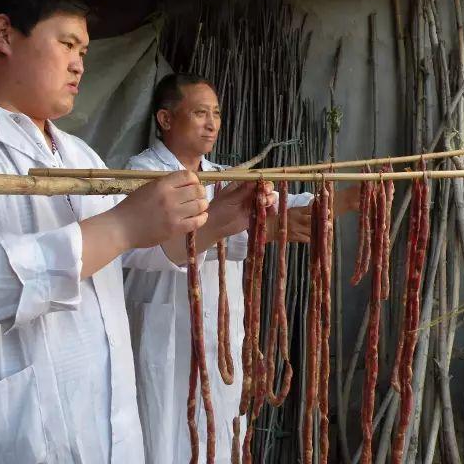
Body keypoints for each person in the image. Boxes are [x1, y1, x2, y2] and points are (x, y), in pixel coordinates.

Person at [0, 0, 274, 463]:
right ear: (4, 34)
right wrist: (119, 227)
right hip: (12, 436)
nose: (79, 65)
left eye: (84, 52)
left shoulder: (76, 155)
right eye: (67, 44)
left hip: (110, 428)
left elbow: (138, 251)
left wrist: (215, 222)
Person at [124, 73, 359, 463]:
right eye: (200, 113)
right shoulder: (141, 175)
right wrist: (265, 229)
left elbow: (275, 211)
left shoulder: (224, 178)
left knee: (220, 430)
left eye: (216, 113)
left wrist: (340, 201)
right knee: (165, 433)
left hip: (221, 340)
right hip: (165, 332)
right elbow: (177, 240)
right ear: (165, 119)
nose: (212, 123)